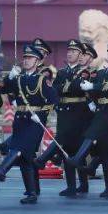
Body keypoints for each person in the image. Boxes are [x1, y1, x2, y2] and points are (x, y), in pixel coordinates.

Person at [0, 44, 57, 204]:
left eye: (30, 58)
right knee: (26, 158)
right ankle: (31, 193)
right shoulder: (18, 78)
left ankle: (2, 170)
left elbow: (54, 100)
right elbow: (0, 90)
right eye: (25, 58)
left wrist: (41, 114)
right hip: (20, 120)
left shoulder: (42, 80)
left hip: (35, 122)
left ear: (38, 61)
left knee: (18, 149)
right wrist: (9, 77)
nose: (26, 61)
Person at [66, 40, 108, 197]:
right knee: (105, 152)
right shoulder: (102, 72)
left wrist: (94, 87)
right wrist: (92, 94)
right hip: (103, 110)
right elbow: (94, 89)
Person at [44, 40, 95, 197]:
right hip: (64, 112)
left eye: (74, 51)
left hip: (79, 113)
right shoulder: (62, 72)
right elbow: (56, 89)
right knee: (66, 150)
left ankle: (84, 183)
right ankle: (71, 185)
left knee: (78, 149)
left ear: (80, 55)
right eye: (69, 51)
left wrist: (67, 88)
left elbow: (79, 89)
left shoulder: (85, 72)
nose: (70, 53)